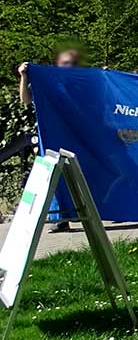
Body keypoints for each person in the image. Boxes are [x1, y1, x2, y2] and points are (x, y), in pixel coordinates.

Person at [16, 49, 84, 232]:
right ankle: (60, 218)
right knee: (53, 174)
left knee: (85, 171)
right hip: (51, 134)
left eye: (71, 63)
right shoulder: (46, 82)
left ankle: (96, 213)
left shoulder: (79, 82)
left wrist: (102, 77)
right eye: (64, 62)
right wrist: (24, 76)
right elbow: (26, 99)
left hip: (76, 134)